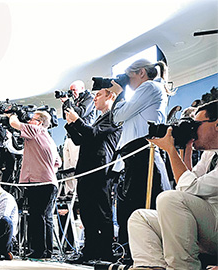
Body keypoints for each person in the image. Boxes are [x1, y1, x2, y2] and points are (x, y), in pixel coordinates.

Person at [128, 100, 217, 270]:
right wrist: (187, 148)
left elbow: (190, 188)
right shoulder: (210, 155)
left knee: (169, 199)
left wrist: (170, 151)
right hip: (207, 224)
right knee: (141, 218)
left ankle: (182, 267)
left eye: (196, 124)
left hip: (215, 227)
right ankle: (152, 266)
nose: (193, 129)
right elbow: (188, 184)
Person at [106, 59, 172, 253]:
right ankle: (134, 254)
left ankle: (143, 255)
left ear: (141, 72)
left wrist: (119, 93)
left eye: (130, 77)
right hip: (136, 155)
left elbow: (118, 116)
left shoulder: (150, 86)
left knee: (141, 208)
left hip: (144, 153)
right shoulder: (147, 91)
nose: (128, 81)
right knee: (132, 209)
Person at [64, 88, 122, 263]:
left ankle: (105, 252)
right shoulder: (99, 118)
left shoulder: (114, 116)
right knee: (87, 213)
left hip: (100, 170)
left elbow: (93, 134)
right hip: (87, 169)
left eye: (98, 95)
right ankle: (90, 251)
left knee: (101, 212)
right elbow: (80, 140)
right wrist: (70, 123)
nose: (94, 98)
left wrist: (78, 120)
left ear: (110, 96)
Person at [9, 110, 61, 258]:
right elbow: (58, 162)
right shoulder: (49, 138)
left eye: (32, 119)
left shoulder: (37, 130)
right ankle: (46, 251)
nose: (29, 121)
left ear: (39, 122)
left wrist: (12, 113)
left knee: (37, 217)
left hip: (39, 183)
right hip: (49, 182)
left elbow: (14, 123)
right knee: (46, 217)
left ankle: (38, 251)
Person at [60, 80, 96, 195]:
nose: (72, 93)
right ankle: (69, 192)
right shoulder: (75, 101)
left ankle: (78, 191)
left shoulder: (89, 99)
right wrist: (66, 103)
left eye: (74, 90)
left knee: (76, 164)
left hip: (80, 136)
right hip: (70, 135)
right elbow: (66, 115)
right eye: (71, 91)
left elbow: (80, 113)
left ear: (82, 88)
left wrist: (67, 102)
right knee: (67, 166)